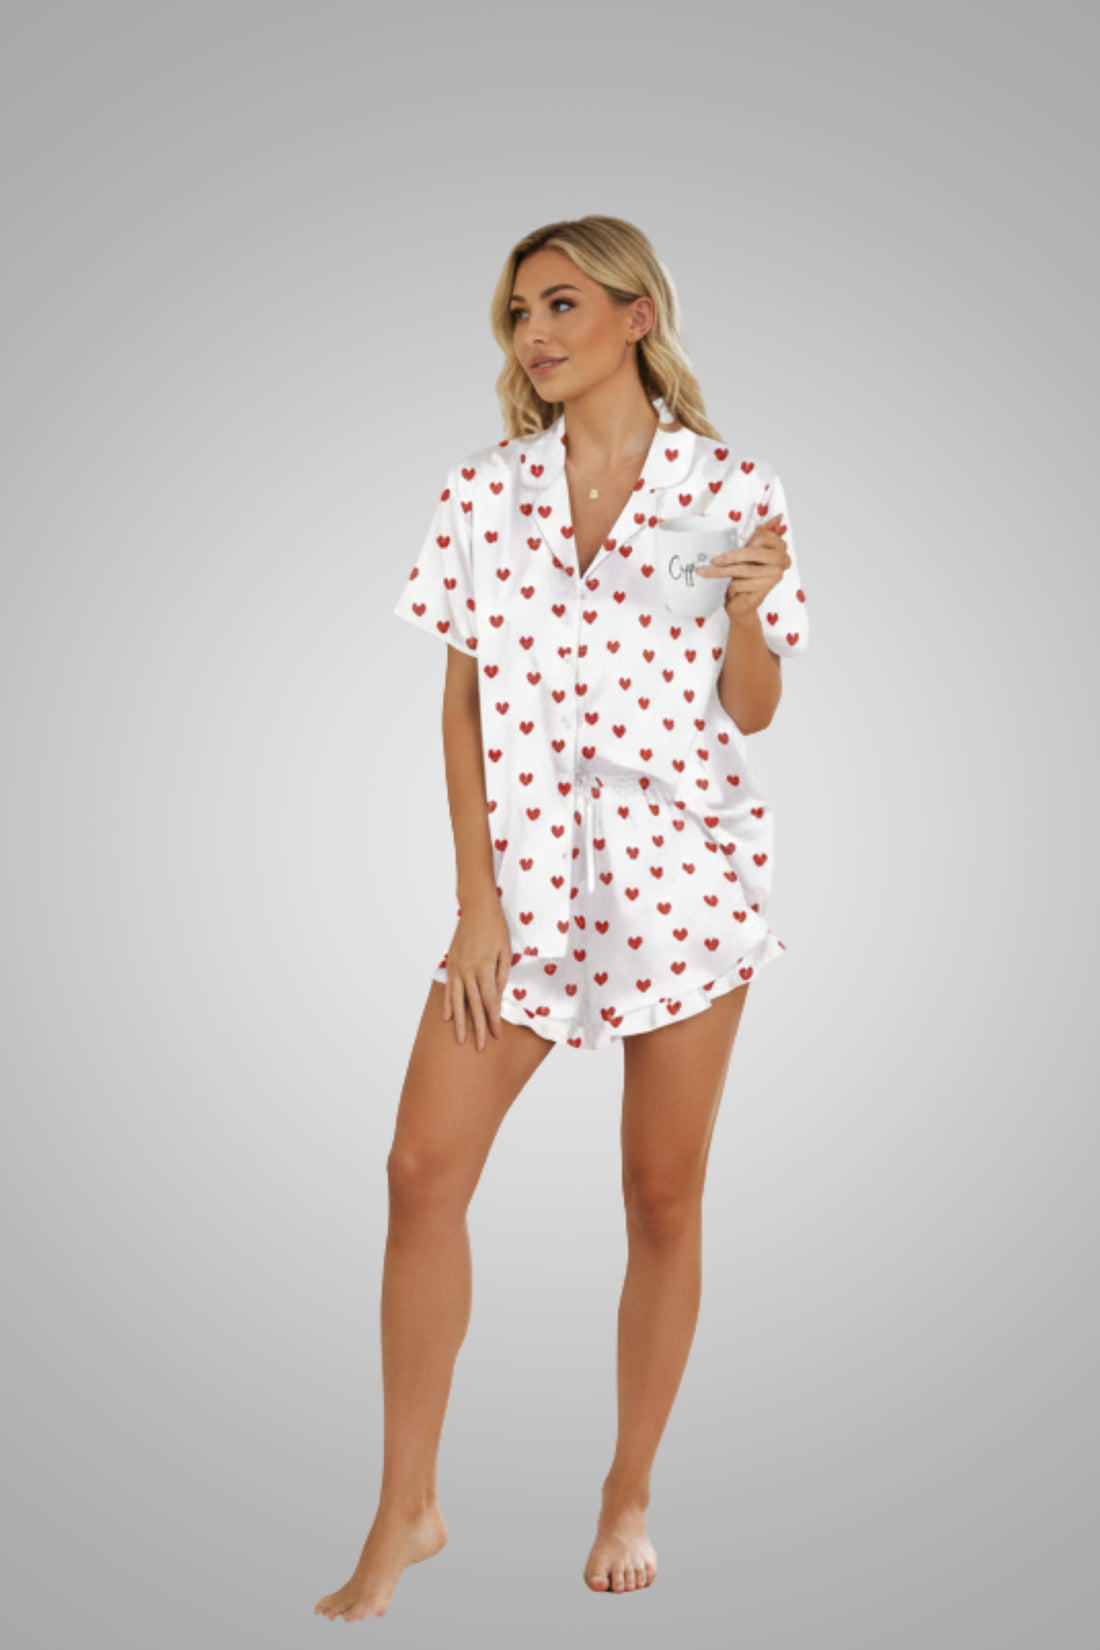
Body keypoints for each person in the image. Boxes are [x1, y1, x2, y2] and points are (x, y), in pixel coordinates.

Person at [314, 215, 809, 1621]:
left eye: (561, 304)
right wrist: (477, 901)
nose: (533, 333)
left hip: (685, 874)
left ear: (638, 316)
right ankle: (408, 1507)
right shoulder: (484, 493)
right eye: (519, 312)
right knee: (421, 1170)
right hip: (522, 887)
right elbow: (463, 705)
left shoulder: (733, 486)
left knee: (661, 1196)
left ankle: (627, 1489)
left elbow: (755, 709)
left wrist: (751, 613)